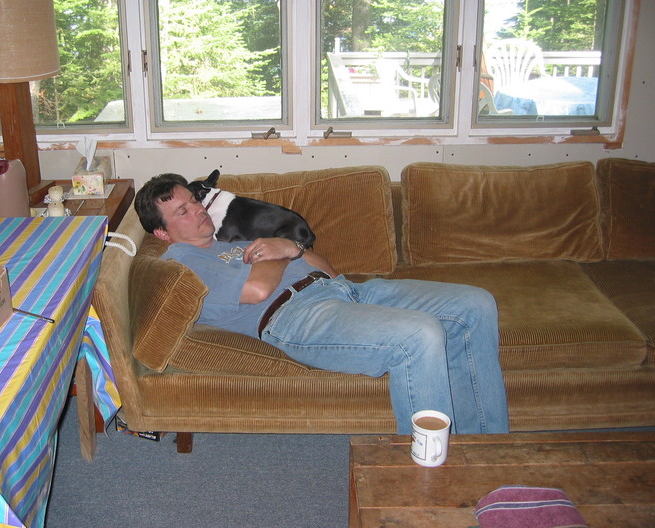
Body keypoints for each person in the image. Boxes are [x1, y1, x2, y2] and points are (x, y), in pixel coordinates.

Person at [134, 173, 509, 435]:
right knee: (419, 335)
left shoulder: (233, 244)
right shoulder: (182, 260)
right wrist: (280, 251)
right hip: (296, 315)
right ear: (162, 233)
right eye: (182, 212)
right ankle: (430, 471)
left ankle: (484, 447)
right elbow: (258, 290)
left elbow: (329, 270)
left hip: (345, 291)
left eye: (193, 201)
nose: (198, 210)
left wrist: (291, 247)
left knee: (474, 304)